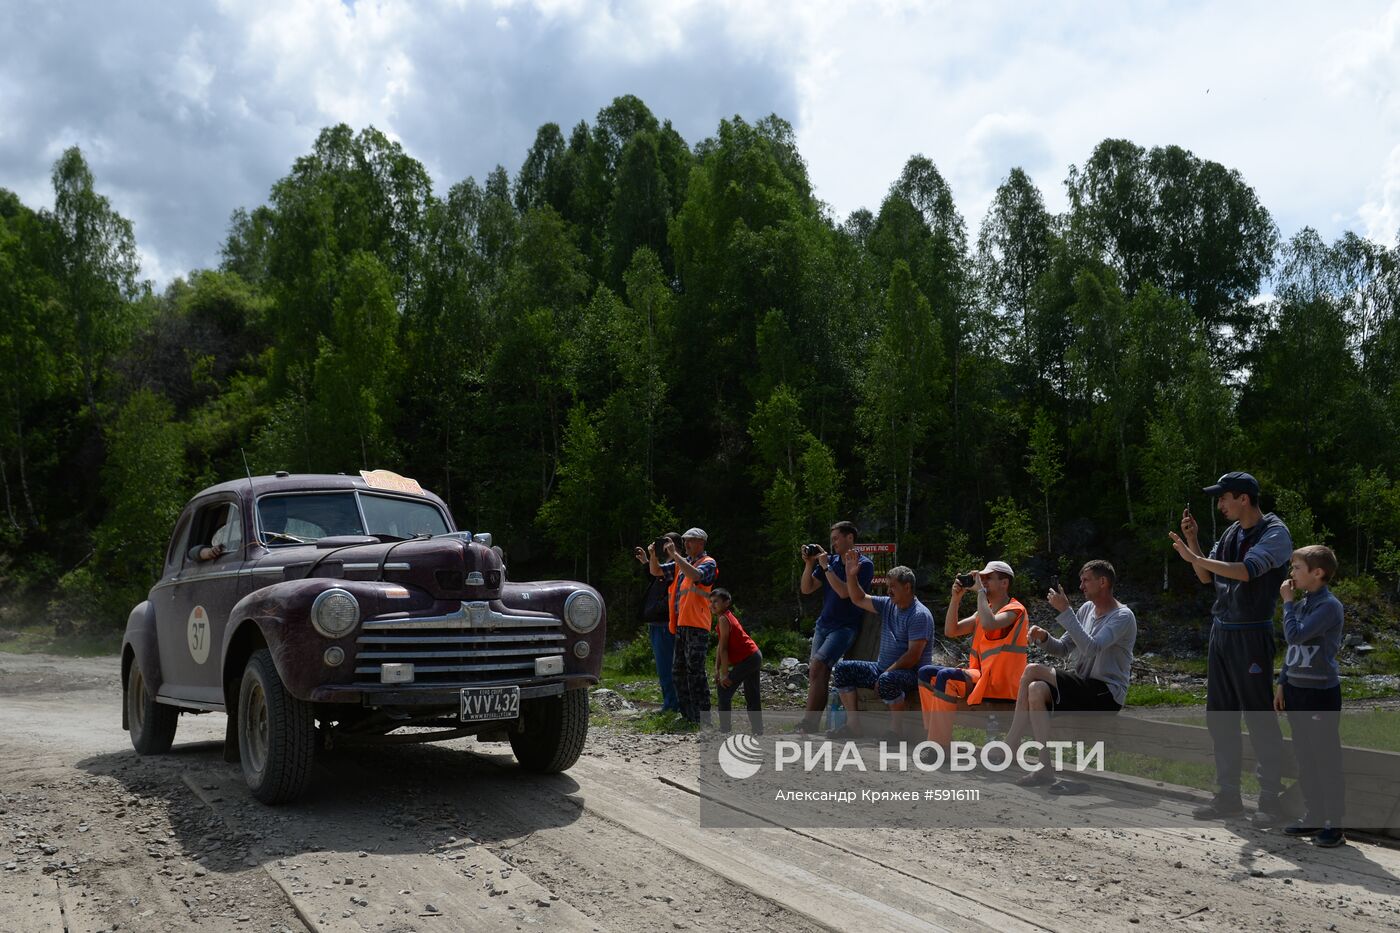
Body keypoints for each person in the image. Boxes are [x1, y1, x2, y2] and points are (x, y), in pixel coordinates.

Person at [1168, 471, 1293, 825]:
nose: (1220, 505)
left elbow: (1245, 572)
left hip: (1252, 633)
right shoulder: (1230, 533)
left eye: (1223, 498)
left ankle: (1269, 800)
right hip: (1221, 631)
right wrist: (1193, 543)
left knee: (1259, 718)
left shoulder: (1275, 533)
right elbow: (1206, 577)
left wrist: (1196, 557)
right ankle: (1228, 797)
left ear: (1243, 498)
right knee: (1220, 718)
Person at [1004, 560, 1137, 790]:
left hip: (1106, 693)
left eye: (1086, 580)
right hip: (1084, 688)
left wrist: (1065, 611)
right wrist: (1044, 638)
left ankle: (1011, 742)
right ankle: (1044, 768)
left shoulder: (1123, 617)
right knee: (1036, 689)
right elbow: (1064, 648)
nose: (1081, 586)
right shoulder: (1086, 610)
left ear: (1103, 582)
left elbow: (1092, 647)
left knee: (1032, 670)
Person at [1275, 545, 1346, 847]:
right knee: (1305, 758)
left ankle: (1335, 824)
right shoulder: (1303, 603)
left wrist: (1287, 603)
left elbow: (1296, 634)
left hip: (1320, 694)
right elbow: (1292, 650)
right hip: (1296, 690)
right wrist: (1282, 681)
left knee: (1325, 759)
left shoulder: (1328, 606)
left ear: (1318, 573)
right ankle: (1313, 815)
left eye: (1297, 568)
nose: (1291, 574)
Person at [828, 556, 933, 741]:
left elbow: (913, 656)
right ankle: (853, 725)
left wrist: (886, 673)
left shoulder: (919, 615)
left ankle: (896, 730)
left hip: (911, 673)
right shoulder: (888, 604)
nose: (888, 590)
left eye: (893, 586)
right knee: (843, 669)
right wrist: (851, 576)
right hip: (882, 668)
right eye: (888, 586)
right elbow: (858, 598)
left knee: (887, 680)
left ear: (907, 587)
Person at [919, 561, 1029, 723]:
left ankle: (939, 744)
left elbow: (989, 624)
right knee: (925, 673)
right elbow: (951, 631)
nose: (983, 582)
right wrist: (956, 599)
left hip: (1002, 685)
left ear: (1004, 583)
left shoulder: (1016, 610)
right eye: (981, 578)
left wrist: (980, 593)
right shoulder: (984, 611)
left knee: (946, 676)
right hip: (982, 679)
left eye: (988, 578)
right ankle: (931, 735)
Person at [797, 521, 875, 733]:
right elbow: (807, 588)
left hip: (845, 627)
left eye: (836, 539)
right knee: (816, 673)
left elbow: (844, 592)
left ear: (850, 538)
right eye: (831, 540)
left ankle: (809, 723)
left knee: (819, 667)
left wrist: (826, 567)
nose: (832, 544)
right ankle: (809, 723)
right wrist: (809, 564)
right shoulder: (829, 562)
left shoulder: (863, 564)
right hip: (824, 624)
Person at [663, 528, 718, 727]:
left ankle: (703, 718)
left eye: (690, 541)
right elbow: (656, 572)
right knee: (678, 671)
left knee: (696, 672)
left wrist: (675, 556)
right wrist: (652, 555)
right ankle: (687, 716)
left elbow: (696, 576)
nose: (686, 545)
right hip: (681, 625)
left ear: (701, 543)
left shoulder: (708, 562)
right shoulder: (683, 564)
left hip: (697, 625)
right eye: (685, 541)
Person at [635, 532, 682, 714]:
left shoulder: (679, 565)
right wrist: (647, 561)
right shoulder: (670, 566)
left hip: (665, 622)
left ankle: (672, 705)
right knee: (664, 667)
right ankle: (670, 703)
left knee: (668, 667)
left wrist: (658, 608)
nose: (663, 545)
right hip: (658, 623)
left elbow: (665, 584)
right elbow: (656, 578)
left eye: (667, 542)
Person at [711, 589, 763, 734]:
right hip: (754, 656)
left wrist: (724, 674)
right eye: (711, 602)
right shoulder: (724, 617)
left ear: (726, 603)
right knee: (752, 694)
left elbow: (725, 649)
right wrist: (717, 669)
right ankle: (758, 731)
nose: (712, 605)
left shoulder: (724, 619)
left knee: (724, 688)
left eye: (716, 601)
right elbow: (721, 646)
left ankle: (725, 730)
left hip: (749, 658)